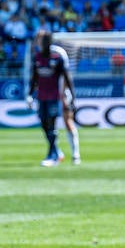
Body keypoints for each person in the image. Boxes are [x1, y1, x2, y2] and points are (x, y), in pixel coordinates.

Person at [26, 29, 80, 166]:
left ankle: (74, 154)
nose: (38, 41)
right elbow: (35, 78)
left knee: (66, 121)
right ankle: (56, 151)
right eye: (37, 39)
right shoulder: (37, 56)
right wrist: (30, 95)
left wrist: (69, 95)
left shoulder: (58, 54)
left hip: (59, 94)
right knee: (45, 123)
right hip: (42, 96)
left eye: (41, 38)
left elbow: (66, 76)